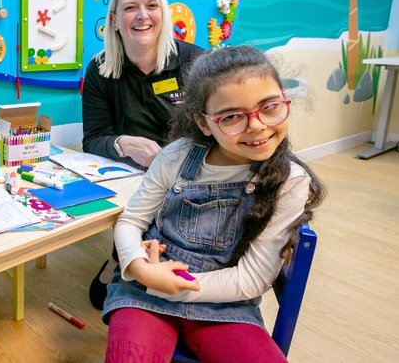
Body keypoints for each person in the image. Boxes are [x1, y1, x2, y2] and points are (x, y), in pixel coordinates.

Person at [102, 46, 326, 362]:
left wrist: (174, 284)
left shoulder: (290, 181)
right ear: (205, 123)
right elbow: (130, 221)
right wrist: (141, 269)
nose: (258, 125)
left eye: (269, 107)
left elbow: (250, 279)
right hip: (143, 291)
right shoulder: (176, 155)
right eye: (232, 116)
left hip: (225, 304)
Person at [82, 0, 204, 309]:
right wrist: (124, 144)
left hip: (193, 174)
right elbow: (92, 140)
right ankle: (124, 256)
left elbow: (217, 130)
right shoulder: (99, 69)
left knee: (178, 287)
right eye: (130, 8)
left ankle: (140, 258)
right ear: (114, 20)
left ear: (164, 15)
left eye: (151, 6)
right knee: (102, 297)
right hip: (137, 180)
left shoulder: (196, 63)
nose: (142, 16)